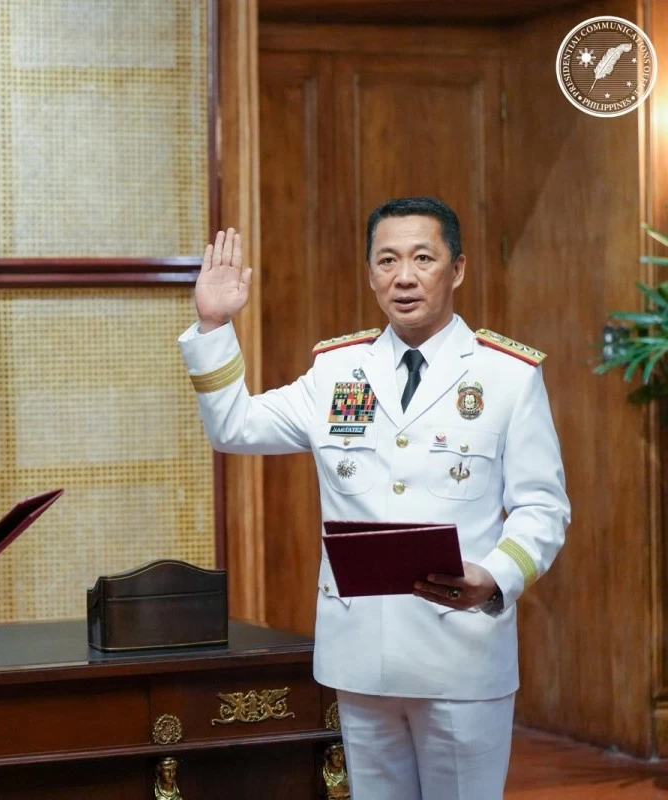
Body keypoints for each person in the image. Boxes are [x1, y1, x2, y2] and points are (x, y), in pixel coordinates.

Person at [178, 197, 569, 799]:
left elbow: (543, 506)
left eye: (422, 258)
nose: (404, 277)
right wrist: (213, 327)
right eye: (387, 260)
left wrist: (494, 576)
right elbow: (235, 427)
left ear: (457, 269)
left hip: (460, 655)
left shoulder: (506, 376)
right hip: (361, 658)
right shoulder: (338, 372)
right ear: (370, 274)